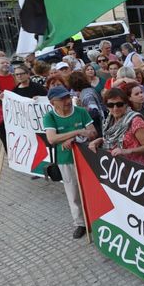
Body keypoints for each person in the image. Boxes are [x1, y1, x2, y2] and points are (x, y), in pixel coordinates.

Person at [43, 86, 96, 239]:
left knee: (91, 189)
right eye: (63, 99)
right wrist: (78, 131)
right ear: (53, 102)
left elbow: (92, 132)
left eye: (68, 97)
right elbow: (52, 138)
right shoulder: (50, 116)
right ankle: (80, 223)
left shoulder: (81, 111)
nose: (67, 101)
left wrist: (73, 138)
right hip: (65, 159)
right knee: (73, 193)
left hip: (87, 158)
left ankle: (95, 218)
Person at [88, 87, 144, 168]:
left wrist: (126, 151)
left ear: (126, 104)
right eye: (110, 105)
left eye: (119, 104)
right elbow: (109, 139)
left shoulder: (135, 121)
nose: (115, 108)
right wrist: (99, 140)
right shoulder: (109, 119)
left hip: (136, 169)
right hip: (115, 168)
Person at [67, 71, 104, 138]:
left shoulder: (87, 94)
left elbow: (94, 112)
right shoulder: (86, 91)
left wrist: (80, 109)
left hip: (97, 128)